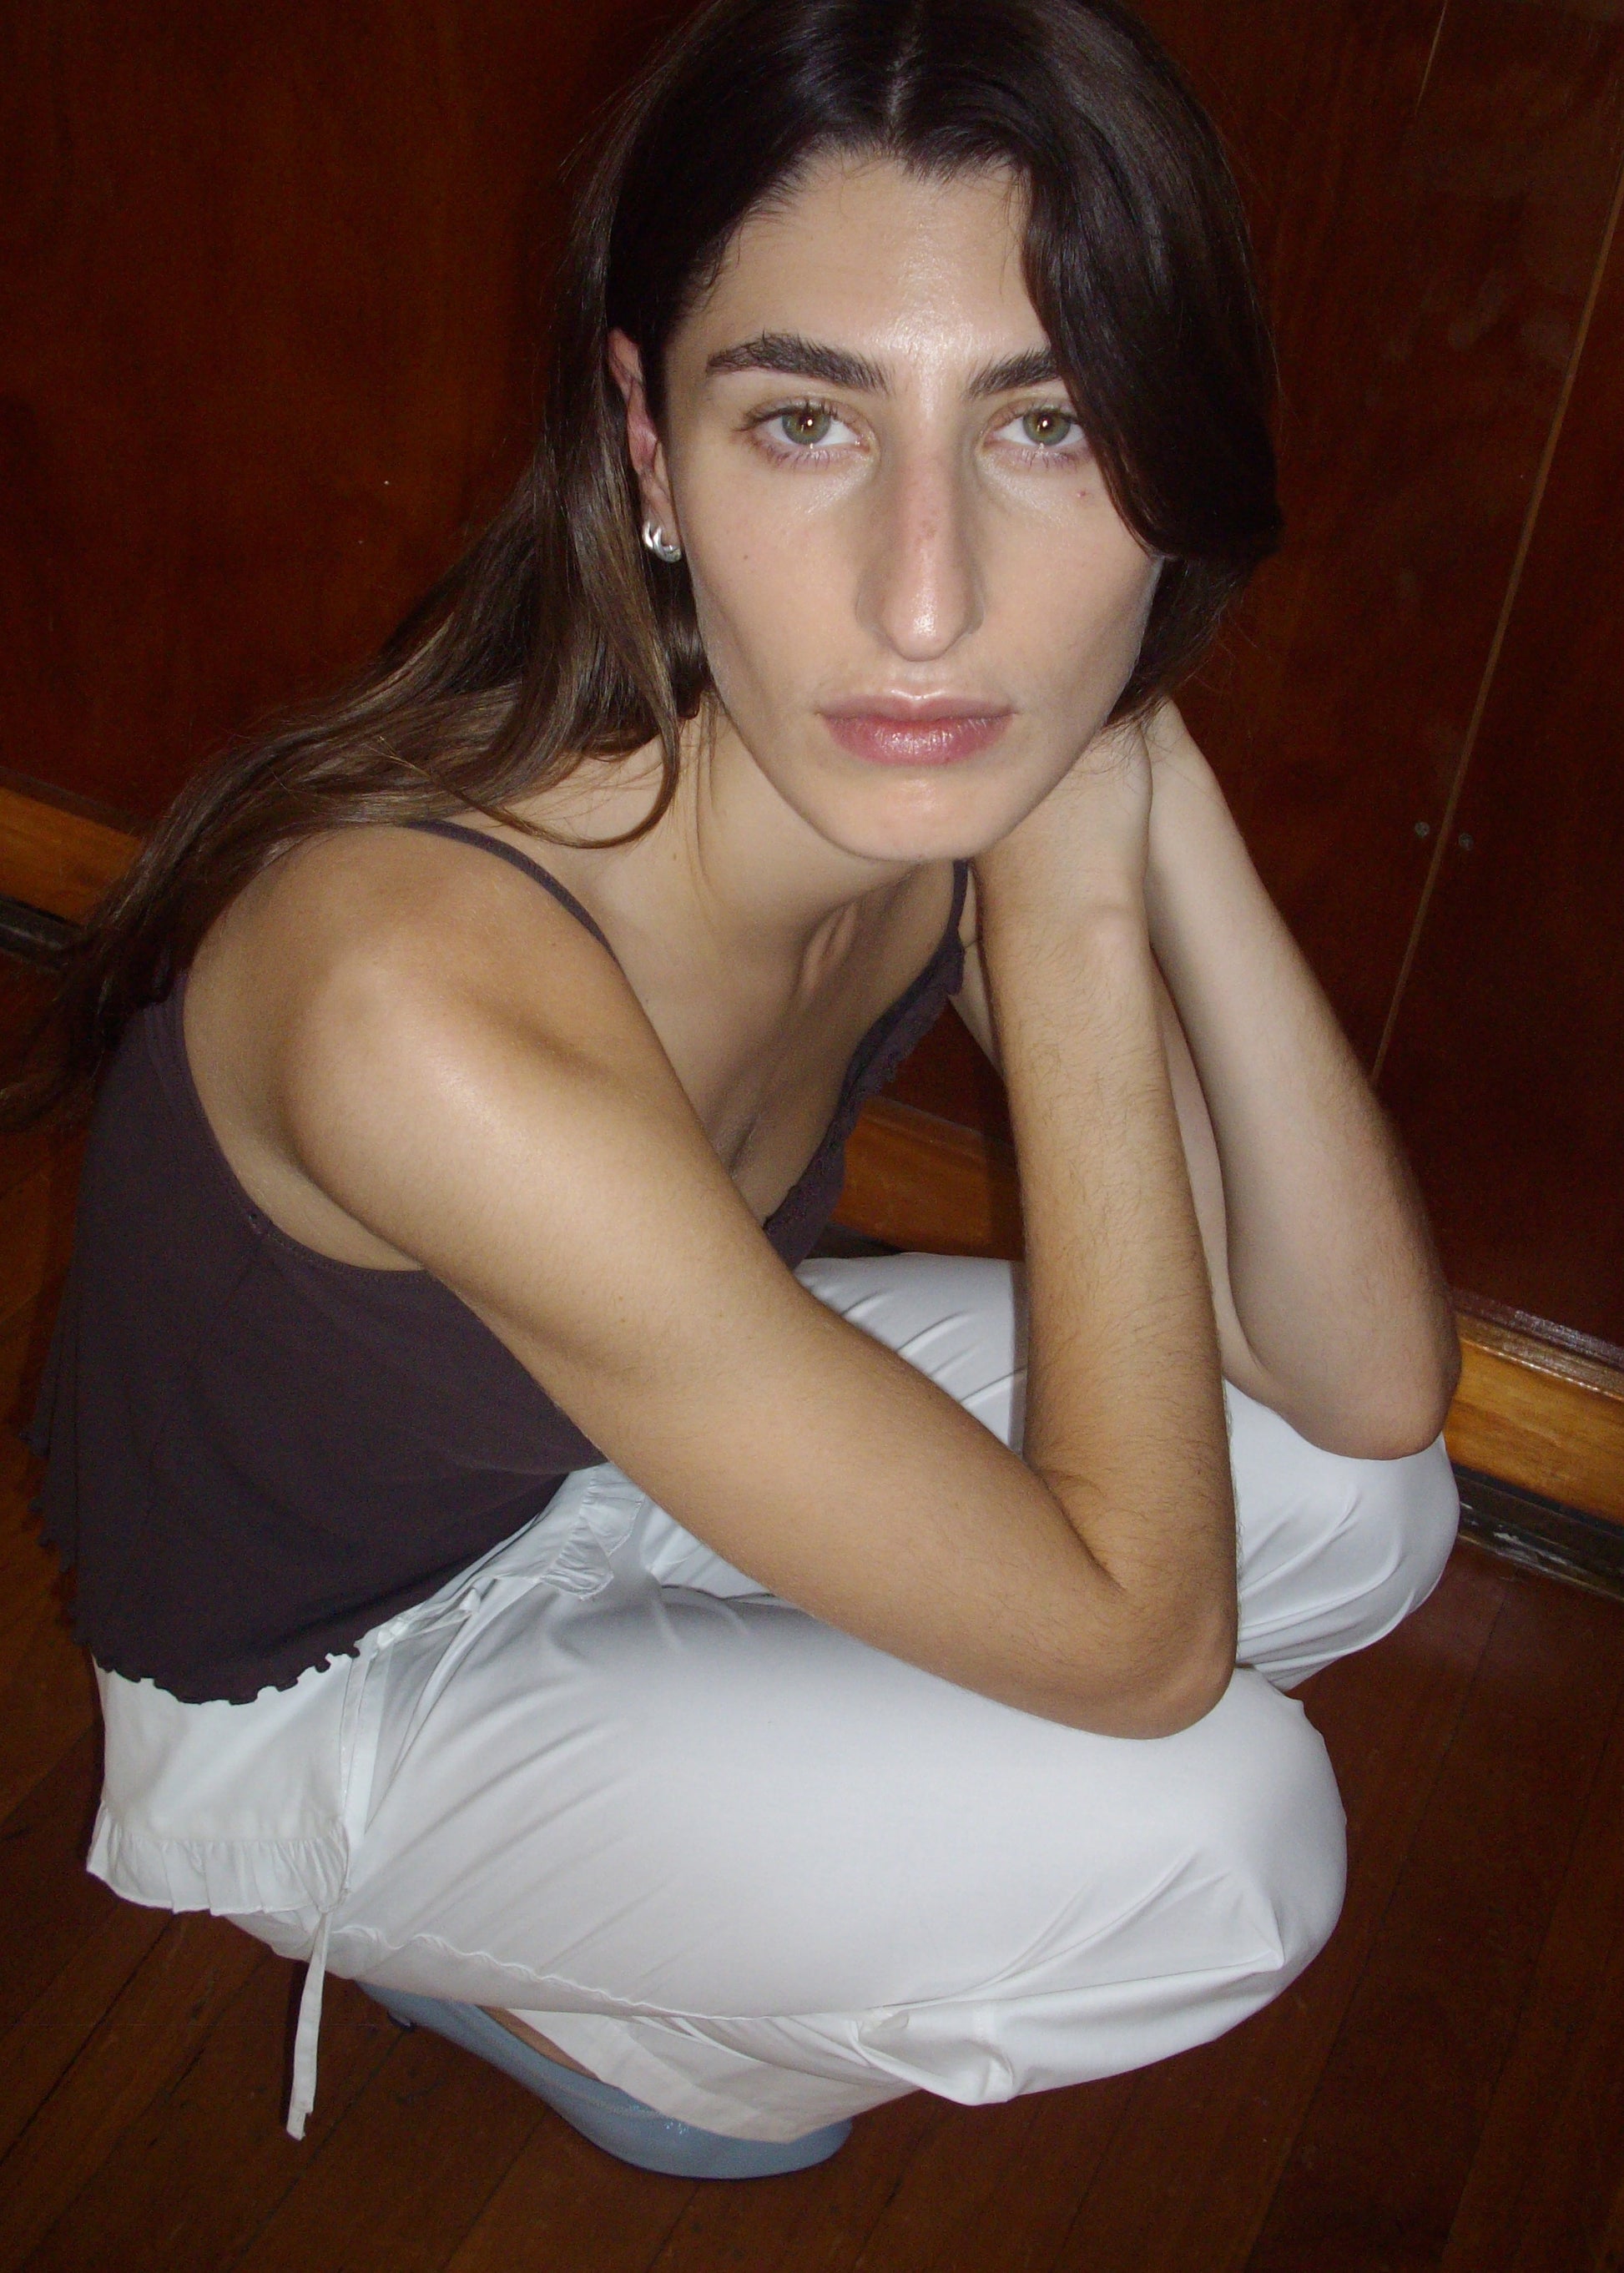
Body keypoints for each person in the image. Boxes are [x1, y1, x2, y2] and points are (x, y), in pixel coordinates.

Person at [13, 0, 1461, 2180]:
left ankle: (704, 1726)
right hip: (325, 1682)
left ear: (1166, 449)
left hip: (605, 1432)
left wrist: (1146, 781)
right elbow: (1144, 1646)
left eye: (1046, 422)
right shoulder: (422, 995)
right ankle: (555, 1980)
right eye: (806, 419)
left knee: (1379, 1504)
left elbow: (1360, 1389)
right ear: (647, 449)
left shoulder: (897, 744)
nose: (925, 594)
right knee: (1219, 1836)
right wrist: (1066, 915)